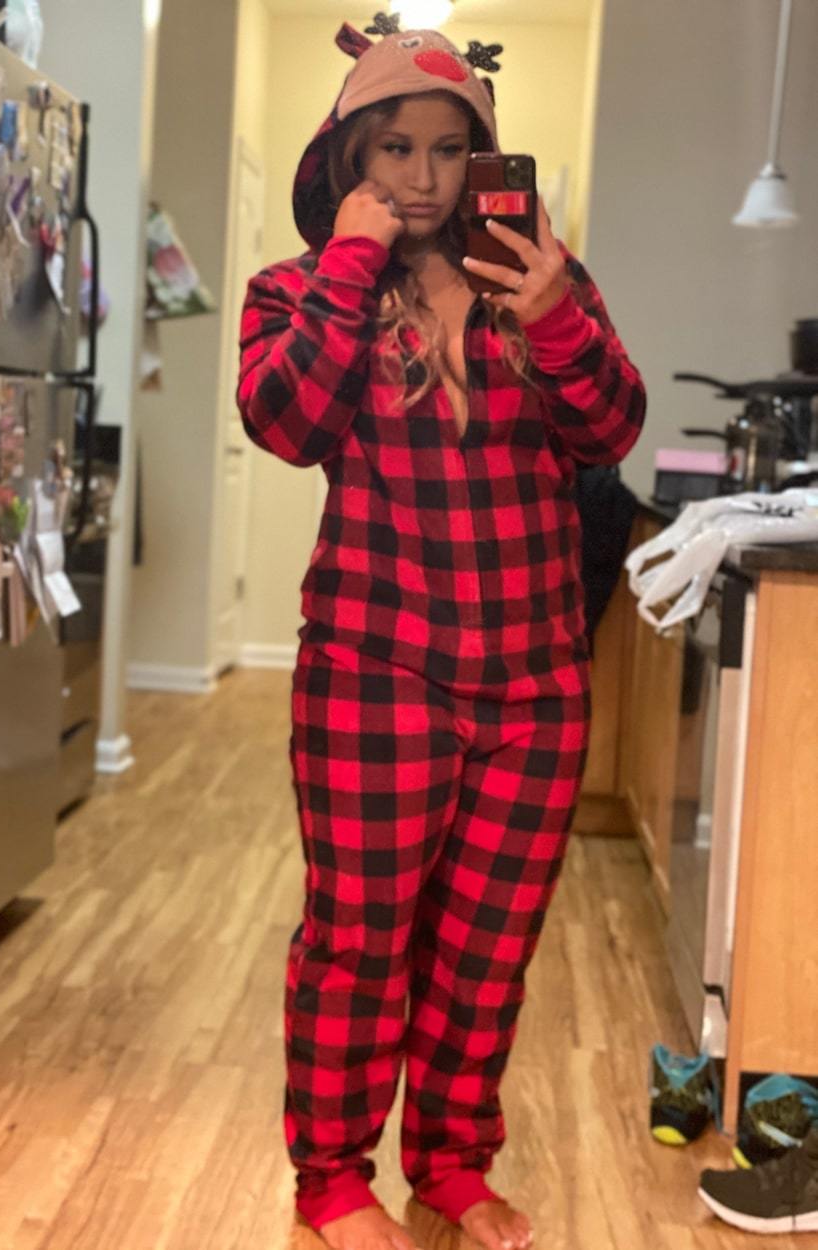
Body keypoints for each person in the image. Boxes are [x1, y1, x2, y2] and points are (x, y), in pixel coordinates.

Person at [236, 17, 646, 1250]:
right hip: (373, 667)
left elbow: (609, 431)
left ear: (483, 158)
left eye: (449, 148)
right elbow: (286, 424)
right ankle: (330, 1176)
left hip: (533, 680)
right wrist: (350, 266)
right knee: (358, 939)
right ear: (349, 158)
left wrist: (557, 311)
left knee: (486, 947)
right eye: (394, 148)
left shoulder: (541, 280)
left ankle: (452, 1162)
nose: (422, 176)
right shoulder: (295, 290)